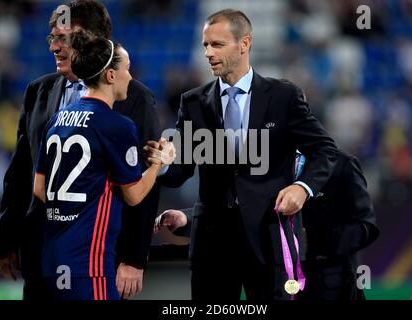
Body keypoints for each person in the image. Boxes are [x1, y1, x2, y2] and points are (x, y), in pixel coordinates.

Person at [145, 9, 338, 300]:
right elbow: (181, 169)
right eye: (205, 45)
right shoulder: (193, 102)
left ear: (244, 44)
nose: (208, 53)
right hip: (213, 248)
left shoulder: (283, 97)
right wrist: (160, 165)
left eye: (217, 44)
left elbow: (325, 152)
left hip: (271, 242)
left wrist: (303, 187)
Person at [0, 0, 161, 300]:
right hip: (41, 252)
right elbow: (20, 171)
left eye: (63, 38)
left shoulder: (136, 97)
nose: (53, 48)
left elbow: (143, 191)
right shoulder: (38, 91)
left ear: (91, 40)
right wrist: (6, 240)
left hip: (99, 256)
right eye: (52, 38)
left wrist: (134, 258)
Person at [33, 32, 173, 300]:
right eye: (126, 69)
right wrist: (159, 162)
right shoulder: (116, 125)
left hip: (51, 259)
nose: (130, 78)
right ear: (110, 75)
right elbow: (134, 196)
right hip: (90, 262)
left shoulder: (57, 119)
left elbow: (40, 188)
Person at [154, 150, 379, 300]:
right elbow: (237, 214)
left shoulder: (340, 164)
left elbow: (364, 227)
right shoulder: (257, 166)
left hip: (330, 286)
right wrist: (186, 219)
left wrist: (312, 241)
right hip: (275, 285)